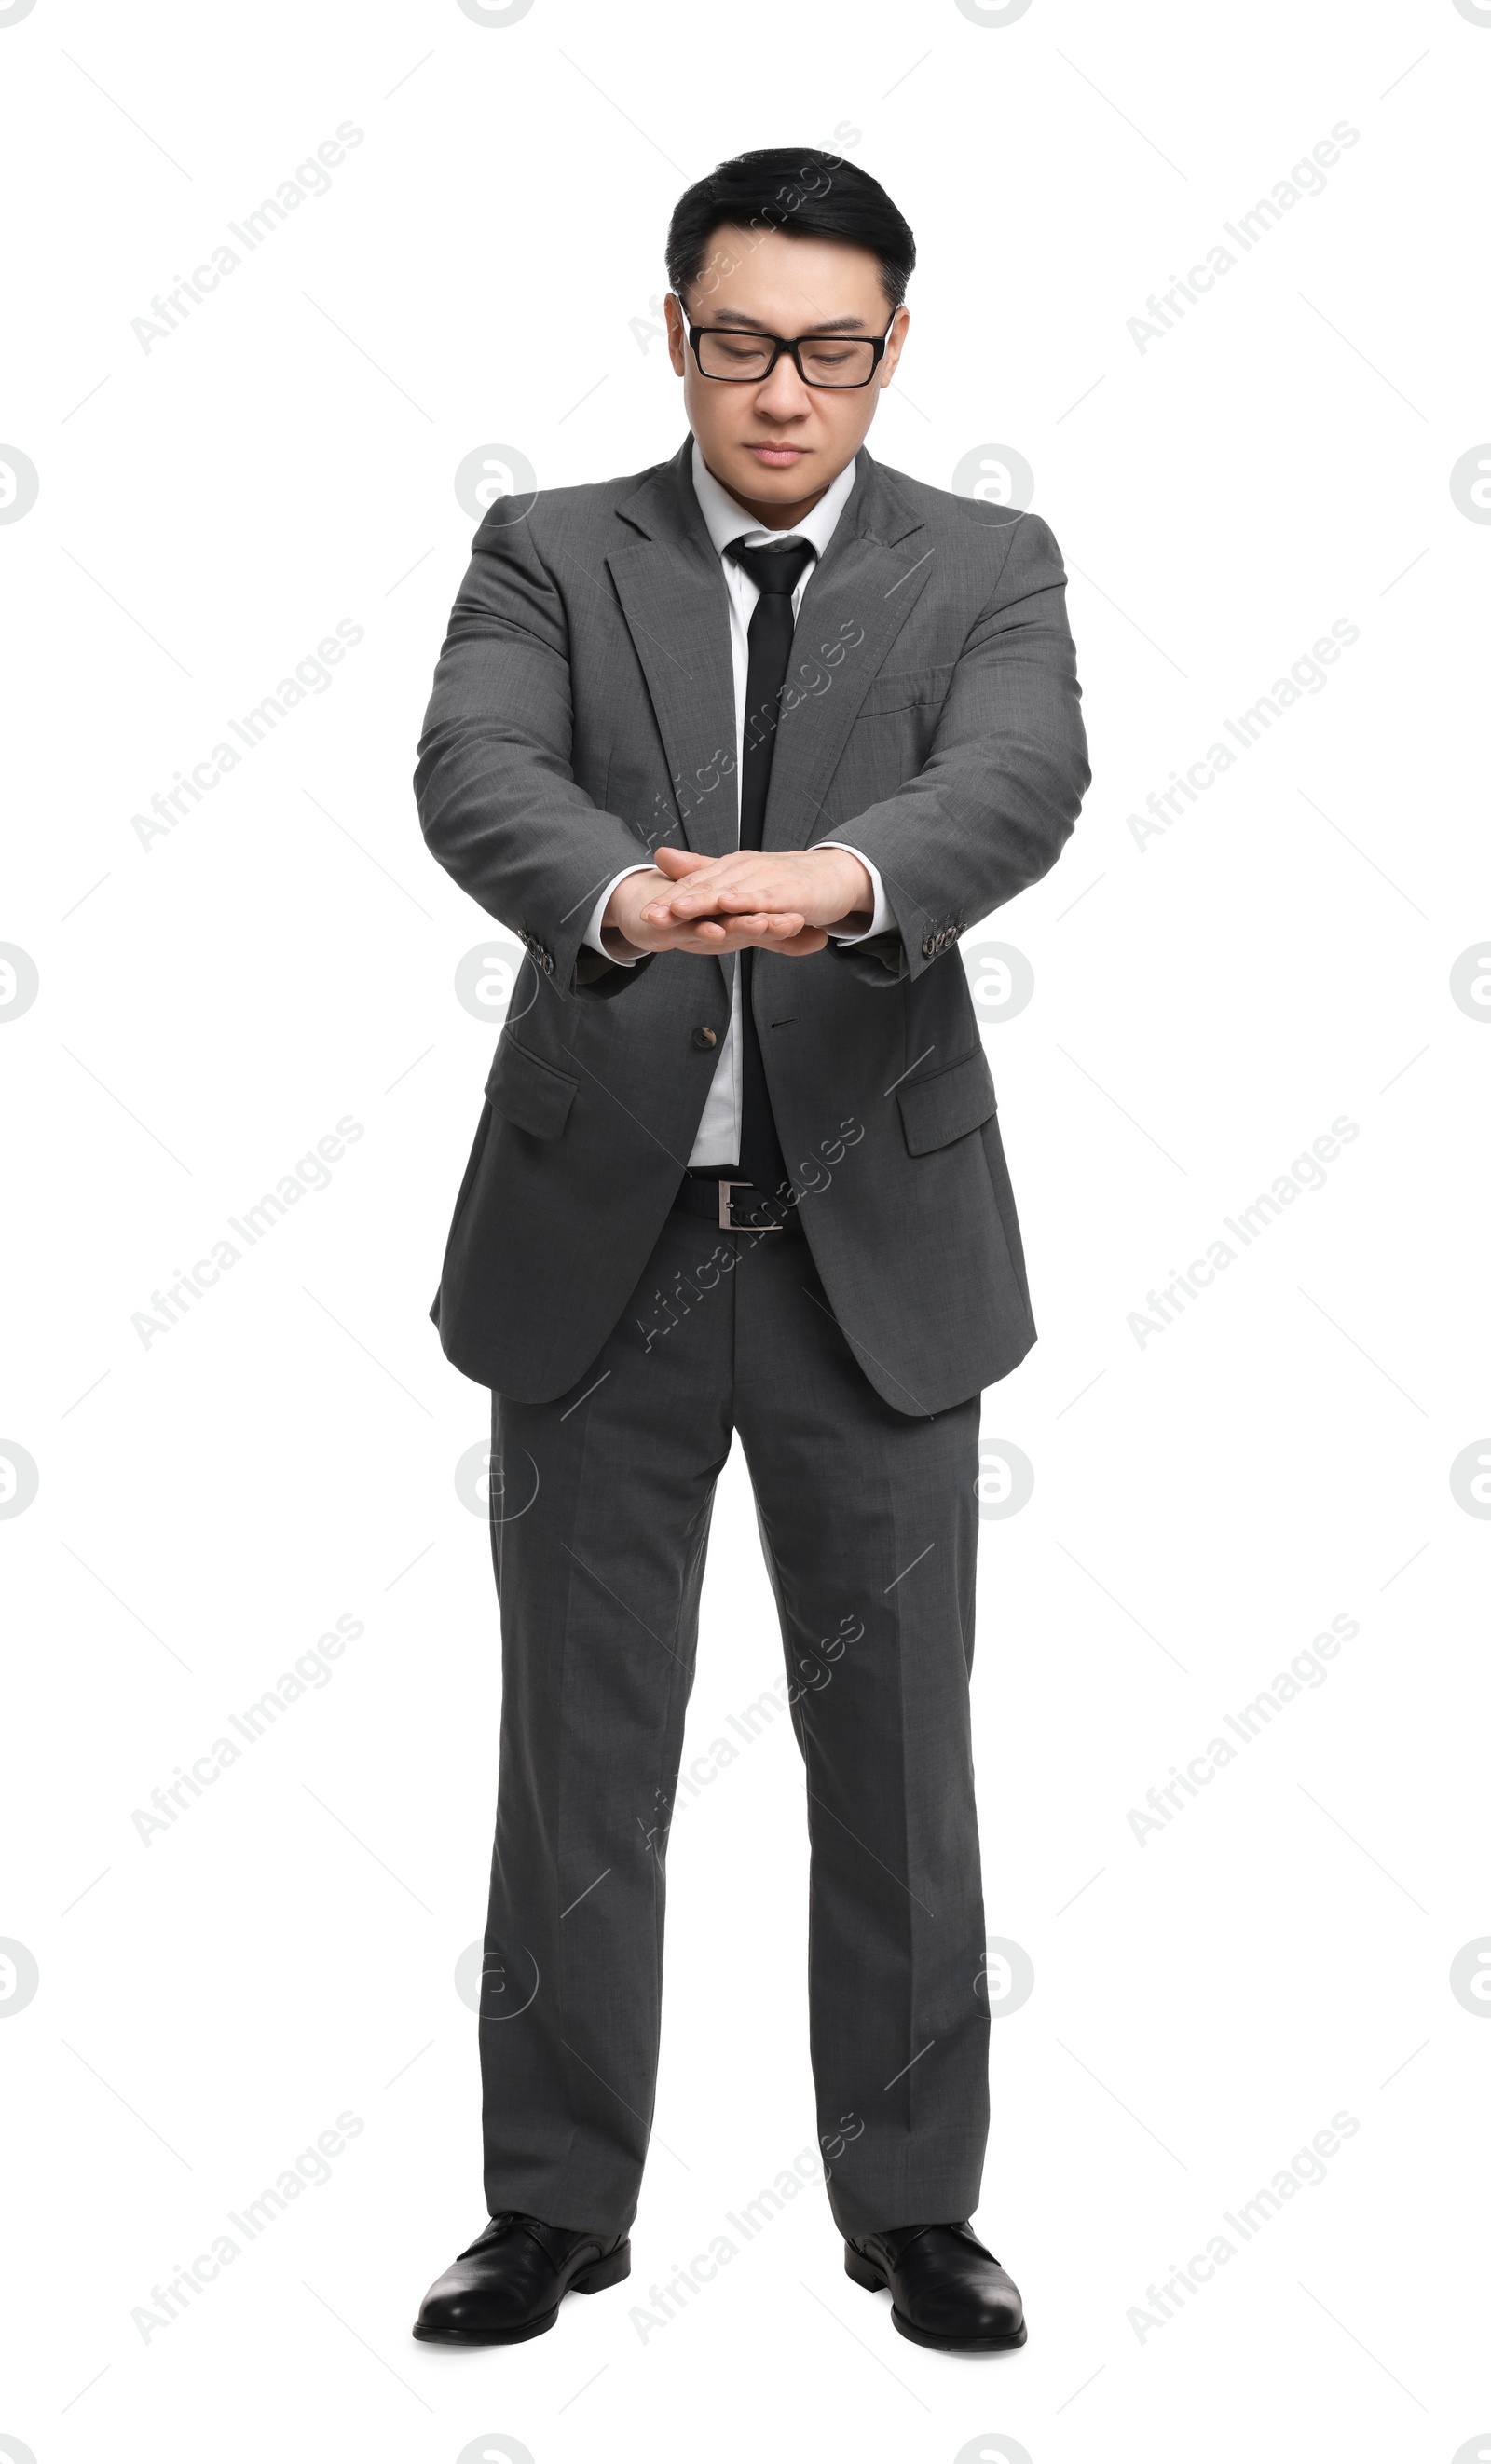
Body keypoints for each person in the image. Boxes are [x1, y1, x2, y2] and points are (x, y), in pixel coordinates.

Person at [409, 146, 1088, 2356]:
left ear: (892, 346)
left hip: (863, 1253)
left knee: (895, 1752)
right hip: (595, 1251)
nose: (777, 392)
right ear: (673, 331)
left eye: (826, 349)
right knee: (574, 1755)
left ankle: (914, 2211)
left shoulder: (986, 561)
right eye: (734, 341)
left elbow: (1012, 783)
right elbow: (476, 771)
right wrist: (630, 896)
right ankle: (547, 2208)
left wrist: (827, 880)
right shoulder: (549, 549)